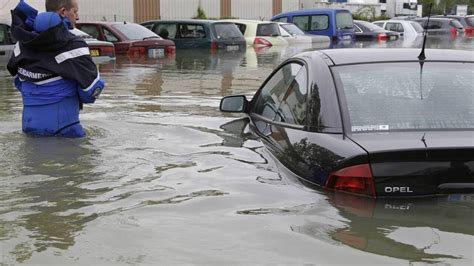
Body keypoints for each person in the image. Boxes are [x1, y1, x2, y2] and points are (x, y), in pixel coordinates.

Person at [7, 0, 104, 138]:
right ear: (63, 12)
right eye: (75, 12)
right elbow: (91, 90)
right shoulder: (74, 45)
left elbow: (18, 81)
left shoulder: (22, 45)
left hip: (29, 126)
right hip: (65, 129)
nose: (77, 17)